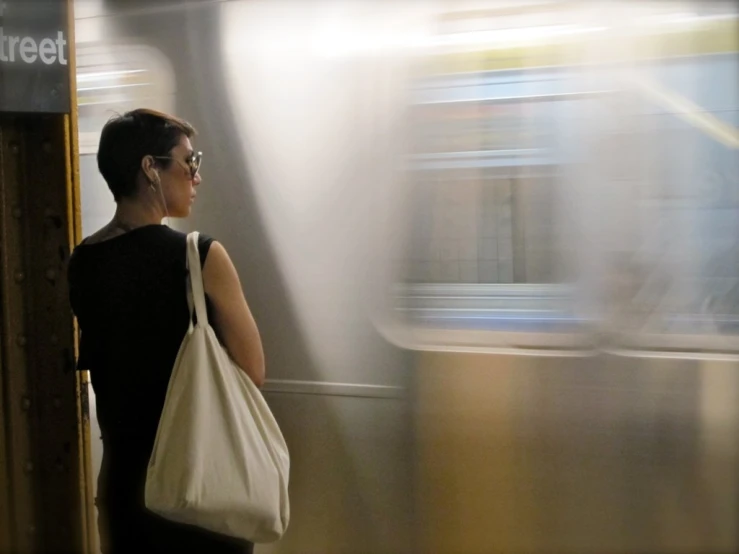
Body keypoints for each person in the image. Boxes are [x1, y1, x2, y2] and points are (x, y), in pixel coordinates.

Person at [67, 108, 265, 553]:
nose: (196, 177)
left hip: (126, 488)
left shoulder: (83, 263)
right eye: (189, 162)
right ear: (150, 168)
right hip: (200, 480)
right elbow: (253, 370)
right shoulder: (200, 256)